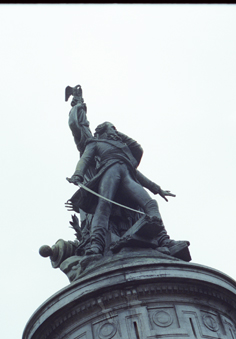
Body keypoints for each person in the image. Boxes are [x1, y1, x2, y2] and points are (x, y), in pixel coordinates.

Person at [65, 87, 177, 256]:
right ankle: (96, 244)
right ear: (102, 131)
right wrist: (77, 174)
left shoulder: (123, 148)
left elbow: (136, 159)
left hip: (126, 175)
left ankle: (164, 239)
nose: (116, 132)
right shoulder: (95, 142)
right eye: (112, 129)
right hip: (108, 174)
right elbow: (85, 158)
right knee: (104, 206)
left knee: (151, 203)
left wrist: (157, 188)